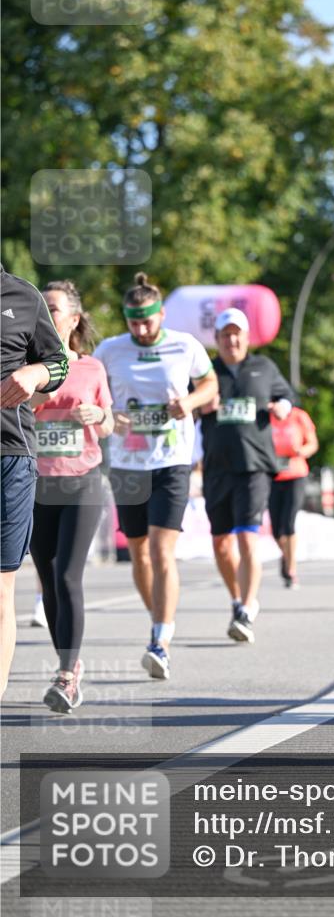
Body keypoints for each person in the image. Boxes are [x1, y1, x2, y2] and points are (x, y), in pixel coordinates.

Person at [94, 273, 217, 680]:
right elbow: (96, 400)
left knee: (163, 552)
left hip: (171, 461)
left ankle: (160, 640)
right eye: (134, 323)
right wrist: (111, 416)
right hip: (128, 463)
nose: (141, 330)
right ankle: (158, 617)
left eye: (147, 322)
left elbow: (210, 384)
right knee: (139, 552)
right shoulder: (110, 350)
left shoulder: (185, 345)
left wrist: (190, 401)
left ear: (161, 314)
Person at [30, 281, 114, 713]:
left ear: (74, 319)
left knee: (67, 575)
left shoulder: (92, 368)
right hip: (37, 484)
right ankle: (69, 667)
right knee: (47, 579)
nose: (46, 314)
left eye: (54, 308)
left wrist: (98, 414)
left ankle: (66, 674)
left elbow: (109, 423)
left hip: (81, 480)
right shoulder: (26, 364)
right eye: (41, 308)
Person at [200, 308, 295, 643]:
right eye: (226, 334)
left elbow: (286, 395)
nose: (232, 340)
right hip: (217, 467)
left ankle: (245, 608)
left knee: (247, 537)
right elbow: (185, 403)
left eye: (237, 333)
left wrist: (283, 405)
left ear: (247, 337)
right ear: (218, 339)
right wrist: (201, 406)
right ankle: (238, 599)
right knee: (222, 544)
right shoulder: (206, 371)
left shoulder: (264, 367)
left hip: (255, 465)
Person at [0, 264, 69, 697]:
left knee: (0, 584)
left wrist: (34, 374)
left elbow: (59, 362)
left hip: (9, 458)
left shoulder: (22, 296)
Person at [269, 405, 319, 588]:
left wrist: (301, 451)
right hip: (272, 475)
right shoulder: (266, 417)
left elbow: (313, 443)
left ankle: (291, 570)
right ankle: (287, 554)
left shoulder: (299, 416)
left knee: (289, 521)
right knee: (276, 529)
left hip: (296, 474)